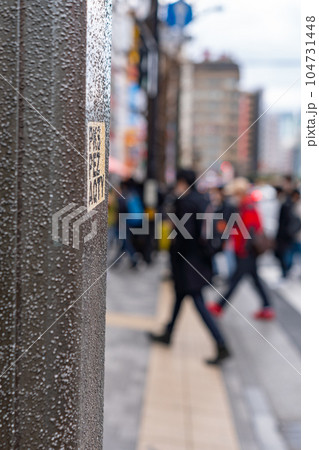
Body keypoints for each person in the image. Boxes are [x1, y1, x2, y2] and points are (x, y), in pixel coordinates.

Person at [149, 169, 230, 365]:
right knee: (179, 297)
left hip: (187, 263)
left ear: (182, 182)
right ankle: (168, 333)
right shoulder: (202, 199)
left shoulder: (185, 201)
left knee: (197, 300)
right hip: (199, 260)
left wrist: (173, 244)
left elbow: (185, 234)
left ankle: (221, 344)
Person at [208, 177, 275, 320]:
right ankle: (267, 307)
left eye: (235, 194)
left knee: (236, 279)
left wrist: (243, 248)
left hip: (246, 251)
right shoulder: (244, 205)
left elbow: (250, 229)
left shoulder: (248, 206)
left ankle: (220, 305)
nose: (233, 197)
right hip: (244, 250)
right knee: (254, 279)